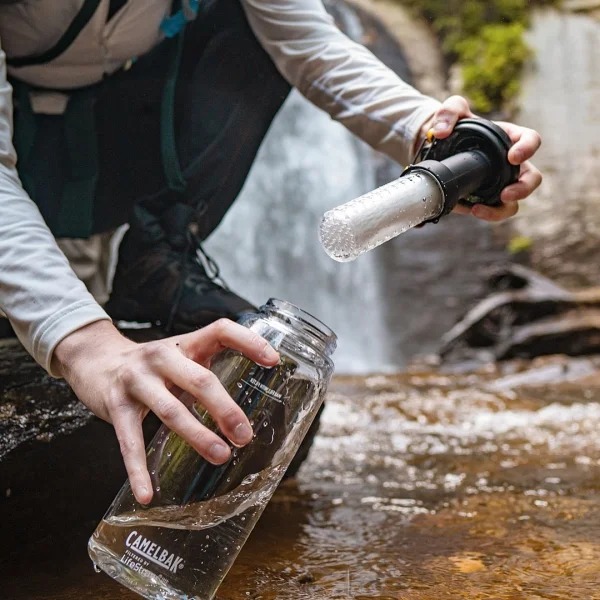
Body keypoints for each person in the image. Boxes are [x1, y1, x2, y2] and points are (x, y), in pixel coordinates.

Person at [0, 0, 542, 504]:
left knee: (245, 26)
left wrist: (435, 135)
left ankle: (158, 257)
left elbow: (310, 46)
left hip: (117, 136)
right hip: (22, 147)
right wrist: (88, 346)